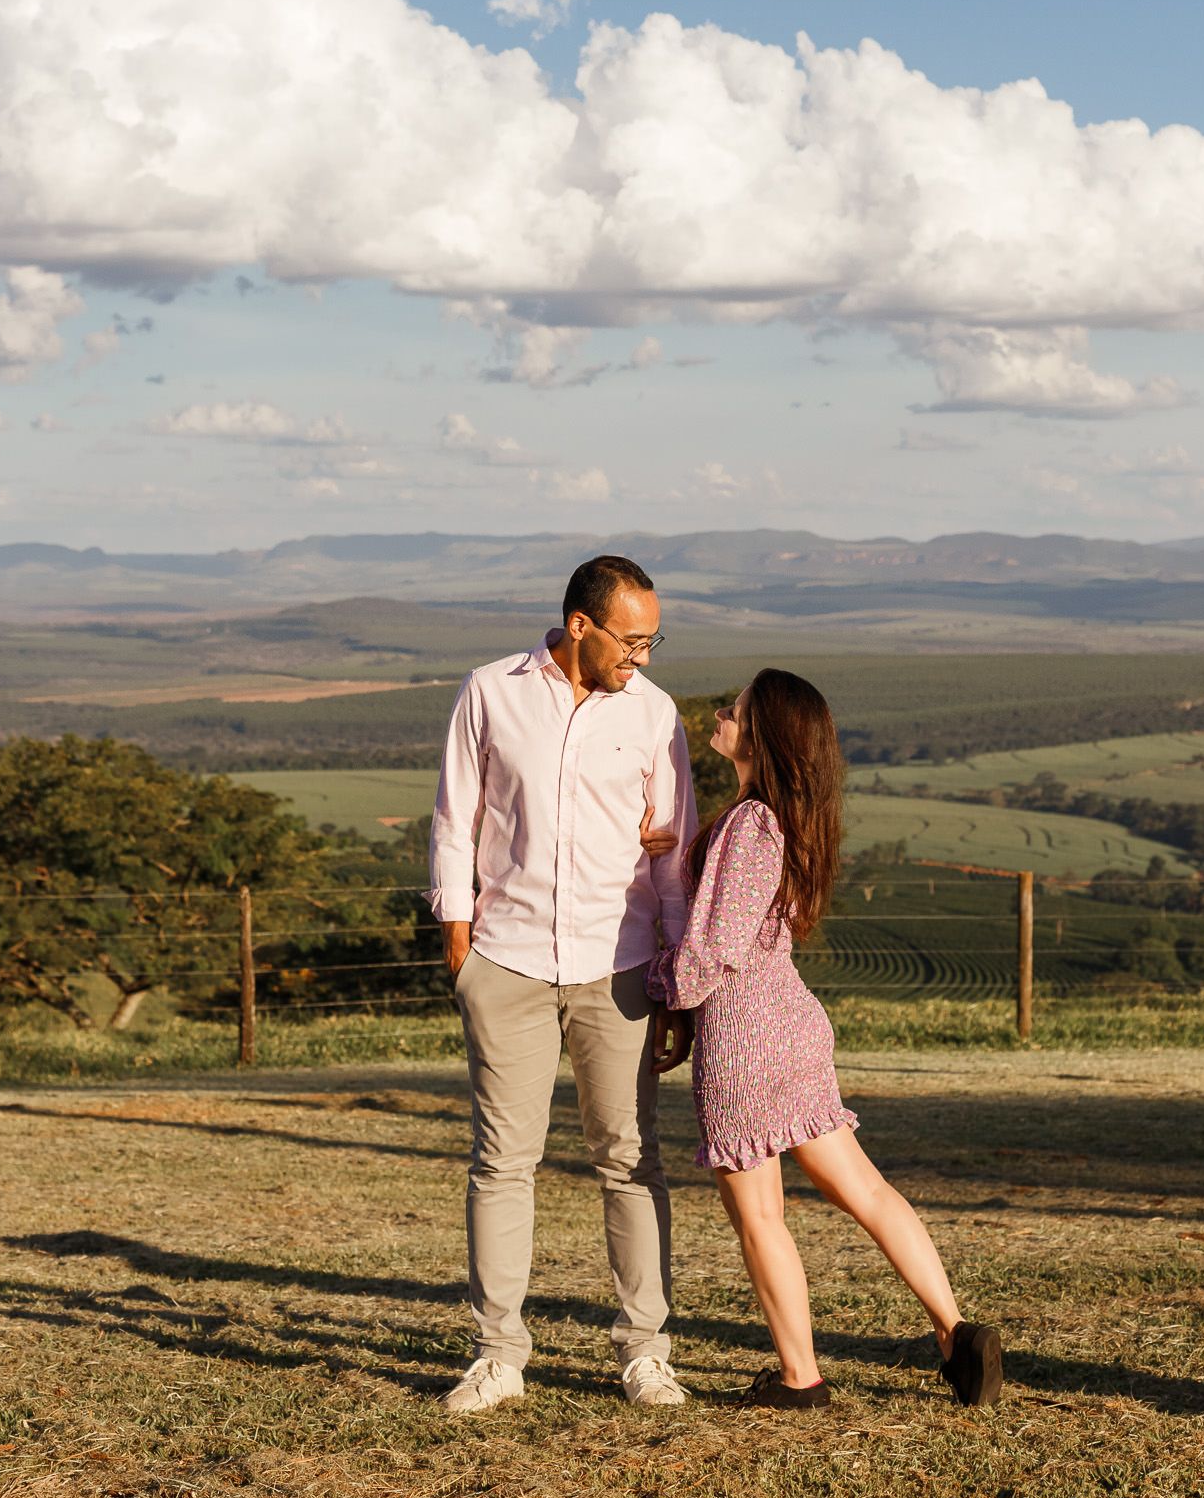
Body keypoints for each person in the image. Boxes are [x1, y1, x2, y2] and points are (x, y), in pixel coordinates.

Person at [648, 668, 1002, 1411]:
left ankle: (799, 1377)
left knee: (761, 1216)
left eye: (736, 711)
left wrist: (655, 985)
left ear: (763, 736)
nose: (721, 714)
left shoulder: (752, 824)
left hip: (746, 1037)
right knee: (865, 1189)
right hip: (793, 1024)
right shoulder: (790, 820)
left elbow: (715, 949)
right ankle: (955, 1333)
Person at [429, 552, 699, 1414]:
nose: (643, 659)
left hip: (617, 970)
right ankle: (498, 1354)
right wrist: (461, 954)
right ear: (580, 626)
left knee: (630, 1161)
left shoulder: (655, 716)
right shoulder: (489, 692)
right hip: (503, 963)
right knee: (502, 1162)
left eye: (654, 642)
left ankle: (645, 1352)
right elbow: (453, 822)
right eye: (633, 640)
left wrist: (675, 979)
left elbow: (673, 861)